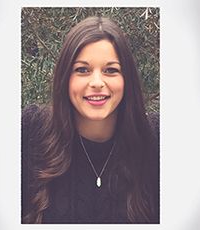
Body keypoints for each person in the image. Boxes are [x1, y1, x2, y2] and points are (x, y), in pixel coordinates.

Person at [22, 16, 159, 224]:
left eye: (111, 70)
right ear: (65, 78)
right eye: (82, 70)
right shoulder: (30, 133)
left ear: (127, 79)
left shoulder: (156, 141)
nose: (97, 82)